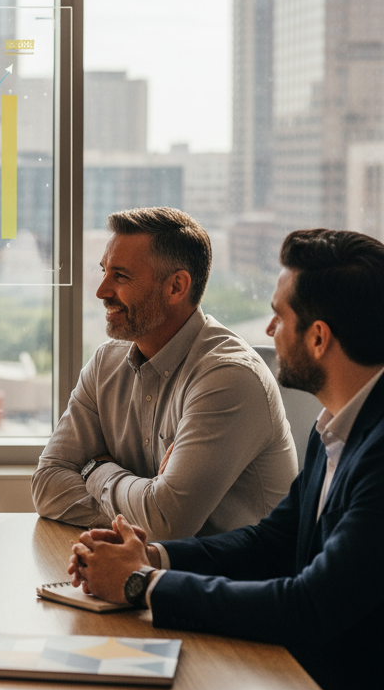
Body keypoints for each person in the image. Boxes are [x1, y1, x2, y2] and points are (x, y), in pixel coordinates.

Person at [68, 229, 384, 690]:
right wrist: (152, 556)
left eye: (279, 317)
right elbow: (272, 542)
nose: (269, 330)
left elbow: (309, 607)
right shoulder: (334, 427)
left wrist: (141, 584)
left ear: (318, 338)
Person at [33, 207, 296, 539]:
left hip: (235, 571)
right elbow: (46, 486)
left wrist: (97, 470)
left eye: (120, 276)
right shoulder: (105, 364)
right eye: (104, 271)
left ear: (176, 287)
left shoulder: (229, 377)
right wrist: (144, 506)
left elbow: (167, 524)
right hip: (150, 565)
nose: (101, 291)